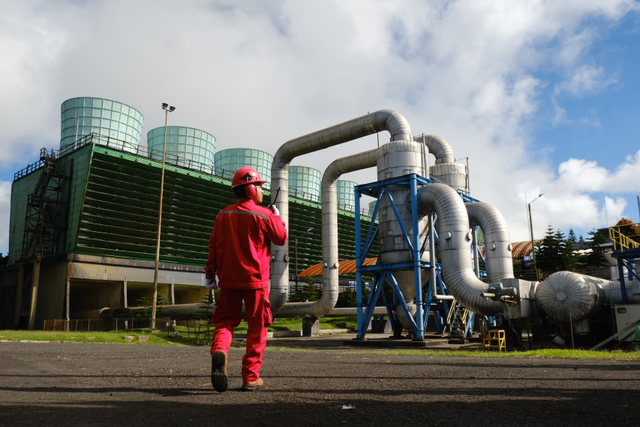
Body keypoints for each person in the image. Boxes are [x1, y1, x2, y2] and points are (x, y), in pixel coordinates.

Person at [205, 166, 287, 392]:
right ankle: (250, 377)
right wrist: (277, 217)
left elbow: (213, 246)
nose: (262, 191)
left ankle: (220, 351)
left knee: (224, 322)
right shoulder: (264, 215)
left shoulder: (222, 215)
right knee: (257, 327)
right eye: (260, 187)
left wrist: (210, 274)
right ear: (250, 189)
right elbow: (281, 238)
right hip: (256, 282)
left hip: (229, 281)